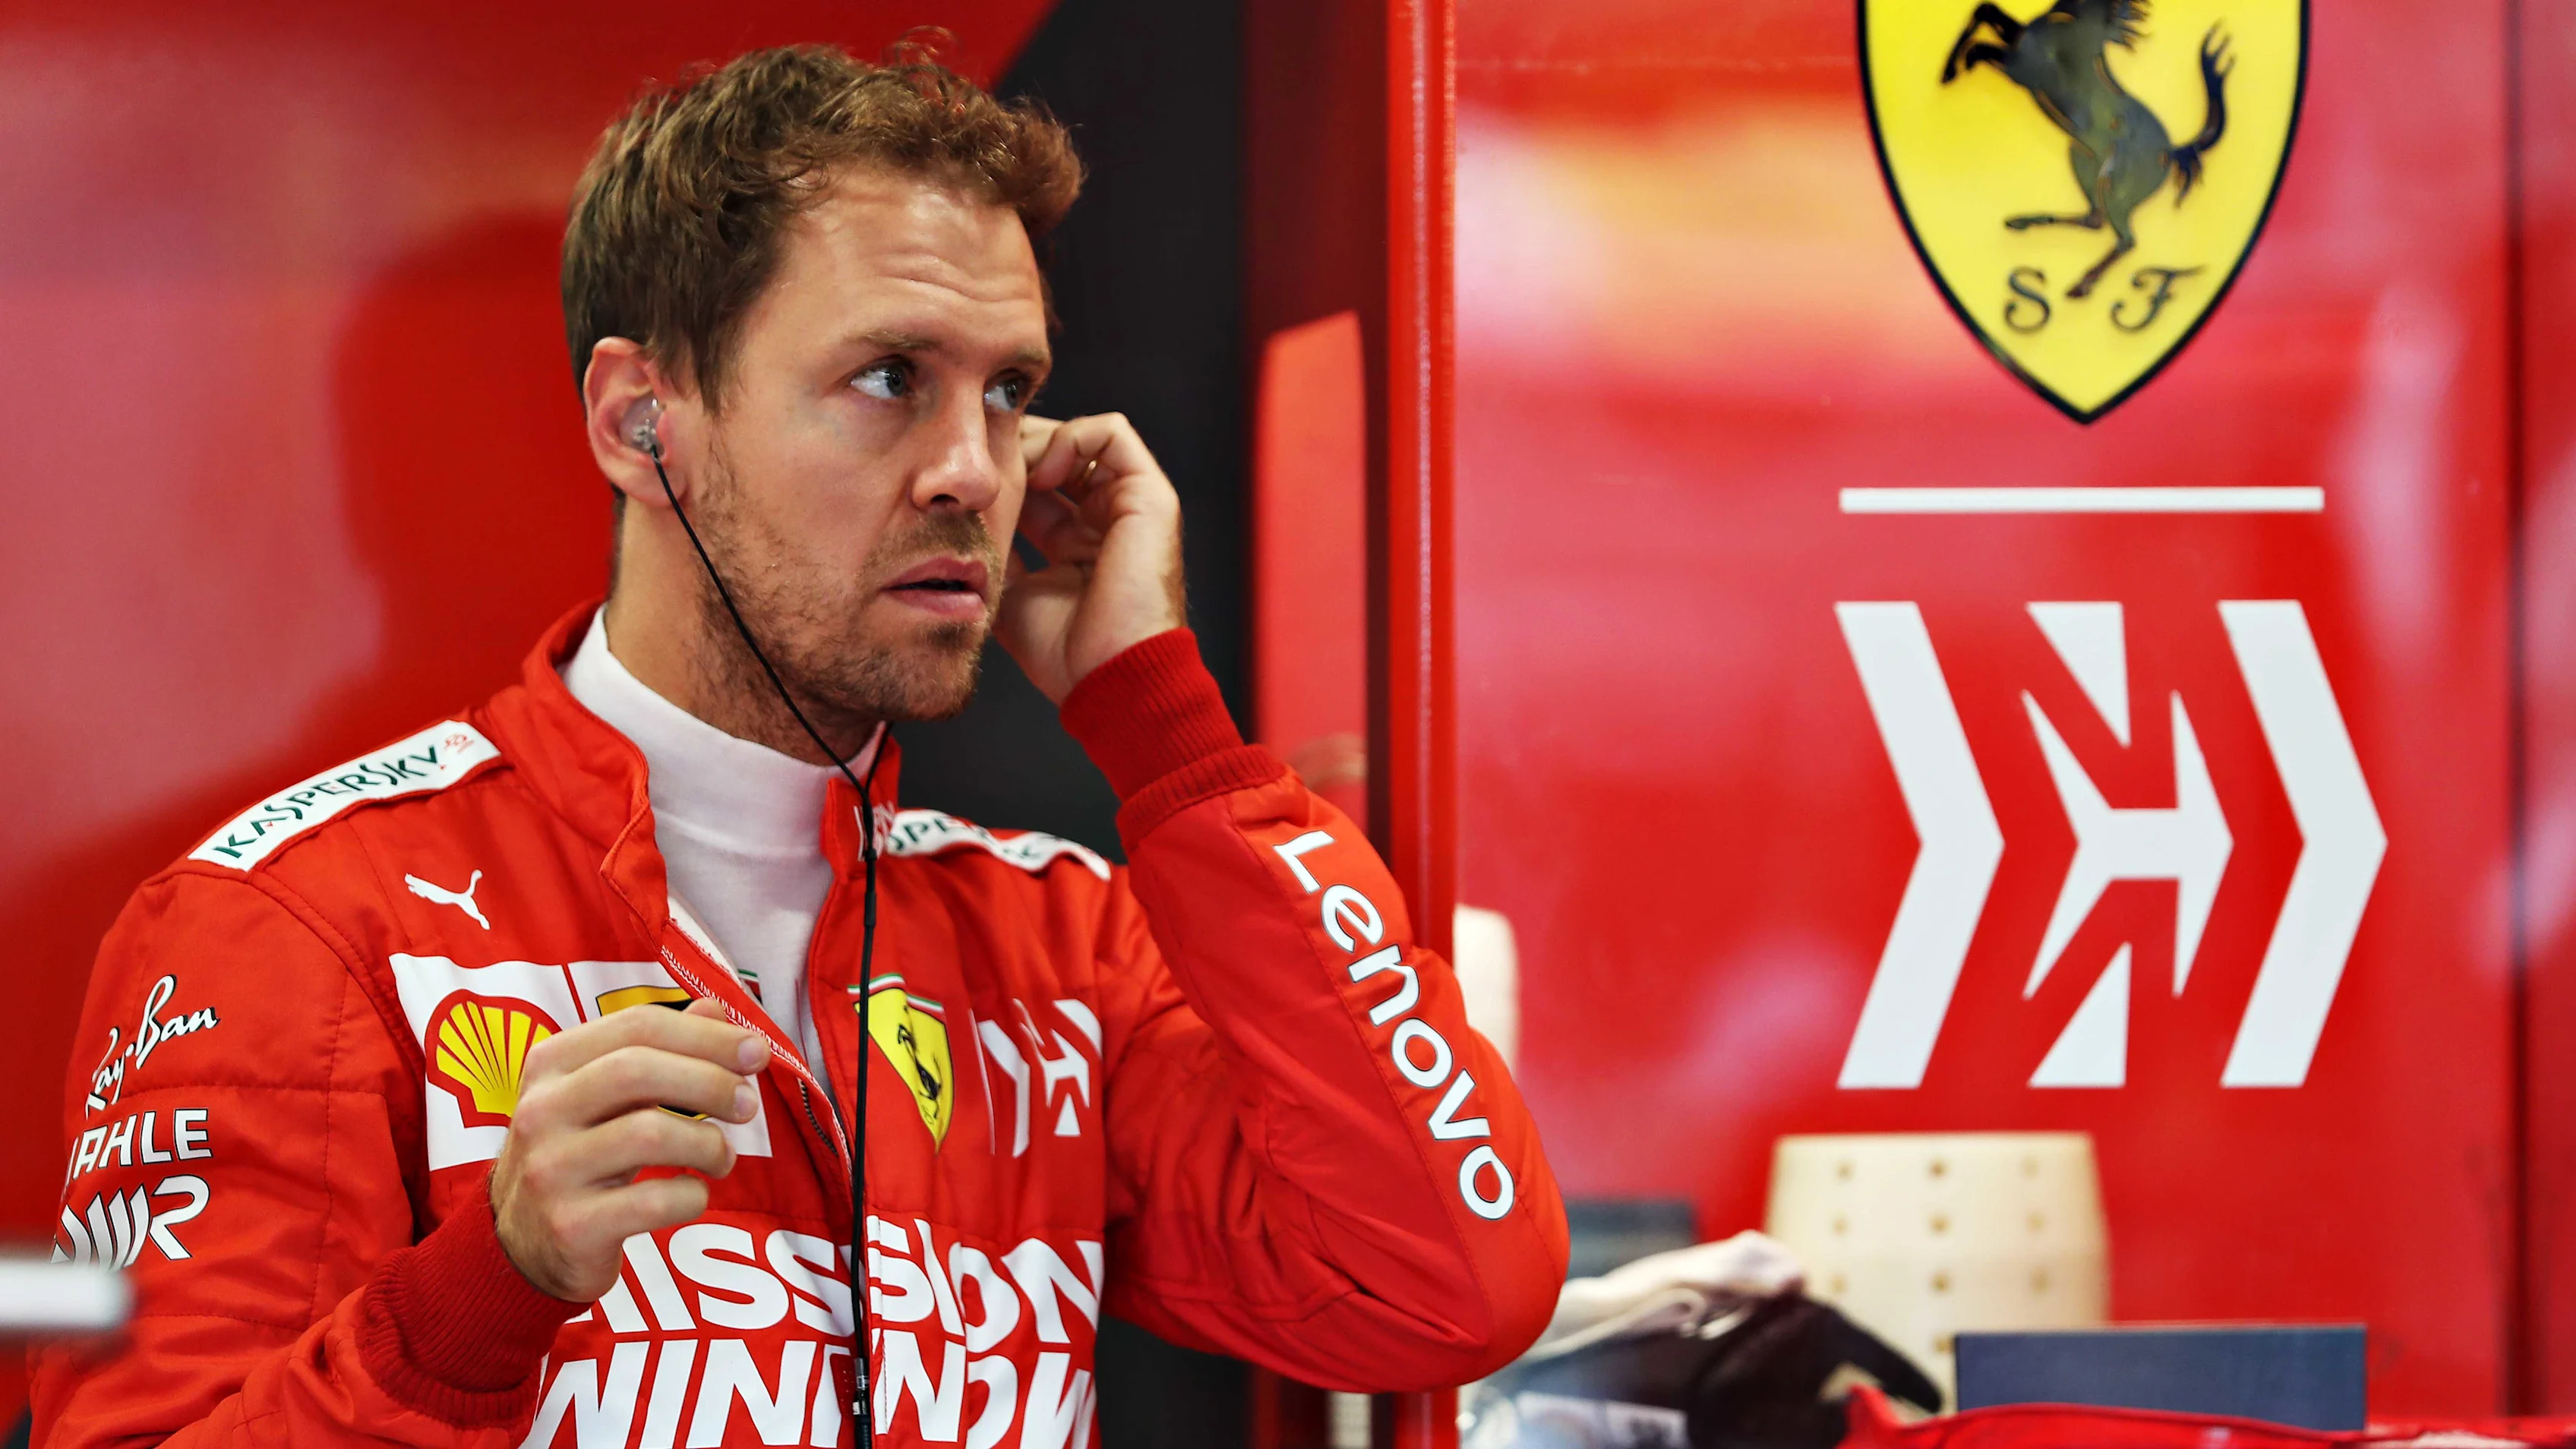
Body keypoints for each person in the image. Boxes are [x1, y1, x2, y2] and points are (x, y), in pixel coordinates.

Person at [32, 43, 1567, 1449]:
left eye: (1008, 391)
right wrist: (487, 1291)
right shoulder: (297, 928)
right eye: (889, 378)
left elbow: (1453, 1283)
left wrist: (1161, 726)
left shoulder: (1058, 950)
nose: (974, 471)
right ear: (643, 424)